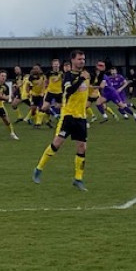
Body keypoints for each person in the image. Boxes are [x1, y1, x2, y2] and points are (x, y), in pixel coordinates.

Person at [32, 50, 91, 191]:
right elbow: (69, 91)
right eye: (79, 59)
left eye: (83, 59)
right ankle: (38, 169)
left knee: (82, 147)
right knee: (57, 144)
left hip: (81, 117)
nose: (82, 61)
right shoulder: (68, 76)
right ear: (72, 61)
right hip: (68, 116)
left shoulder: (87, 75)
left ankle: (78, 179)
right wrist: (82, 79)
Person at [0, 69, 19, 140]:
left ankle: (12, 133)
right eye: (2, 76)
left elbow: (7, 98)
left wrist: (2, 97)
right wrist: (1, 96)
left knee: (7, 121)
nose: (3, 78)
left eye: (5, 76)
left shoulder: (6, 87)